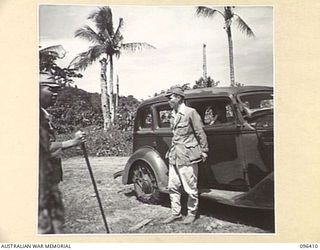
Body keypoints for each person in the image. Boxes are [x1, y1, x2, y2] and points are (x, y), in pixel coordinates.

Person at [38, 72, 86, 233]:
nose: (55, 93)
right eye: (50, 89)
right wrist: (72, 142)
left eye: (57, 89)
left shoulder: (43, 114)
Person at [163, 86, 208, 224]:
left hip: (188, 155)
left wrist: (204, 150)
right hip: (175, 155)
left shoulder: (190, 112)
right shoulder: (173, 114)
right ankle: (175, 213)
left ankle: (191, 213)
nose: (169, 100)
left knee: (190, 187)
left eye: (170, 98)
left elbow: (200, 132)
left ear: (178, 98)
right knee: (173, 186)